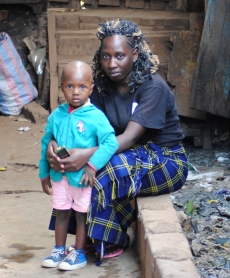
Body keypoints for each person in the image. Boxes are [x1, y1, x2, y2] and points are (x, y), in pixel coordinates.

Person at [46, 19, 188, 264]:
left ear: (134, 54)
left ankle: (111, 239)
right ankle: (86, 236)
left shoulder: (153, 88)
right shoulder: (100, 88)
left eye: (119, 56)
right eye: (105, 56)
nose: (111, 64)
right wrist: (56, 147)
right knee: (77, 172)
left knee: (104, 170)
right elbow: (81, 128)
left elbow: (129, 138)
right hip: (128, 154)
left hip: (166, 161)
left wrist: (86, 155)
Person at [39, 60, 118, 270]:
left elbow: (111, 142)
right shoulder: (57, 115)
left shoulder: (96, 117)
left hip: (82, 178)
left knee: (82, 215)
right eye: (70, 86)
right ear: (62, 87)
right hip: (59, 177)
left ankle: (79, 253)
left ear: (91, 88)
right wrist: (43, 173)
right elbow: (46, 143)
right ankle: (58, 250)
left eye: (82, 87)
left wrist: (92, 166)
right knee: (61, 212)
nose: (76, 92)